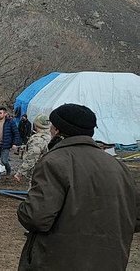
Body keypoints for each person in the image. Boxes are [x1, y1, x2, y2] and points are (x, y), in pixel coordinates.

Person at [17, 104, 140, 270]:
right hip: (110, 262)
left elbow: (36, 218)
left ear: (58, 130)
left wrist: (24, 208)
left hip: (59, 261)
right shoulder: (118, 166)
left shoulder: (54, 162)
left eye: (53, 126)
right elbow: (135, 218)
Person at [13, 114, 50, 190]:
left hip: (38, 172)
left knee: (34, 194)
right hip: (48, 172)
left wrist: (20, 173)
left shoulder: (37, 139)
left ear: (36, 125)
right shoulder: (51, 137)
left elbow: (31, 158)